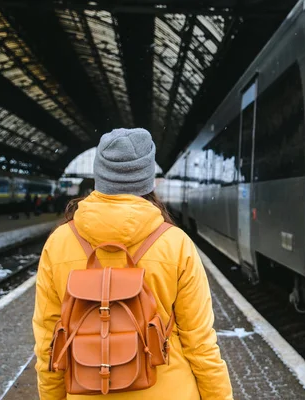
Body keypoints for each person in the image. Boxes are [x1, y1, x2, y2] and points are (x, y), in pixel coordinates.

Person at [32, 128, 233, 400]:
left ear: (99, 175)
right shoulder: (175, 243)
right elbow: (200, 344)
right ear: (147, 179)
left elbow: (49, 342)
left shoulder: (59, 243)